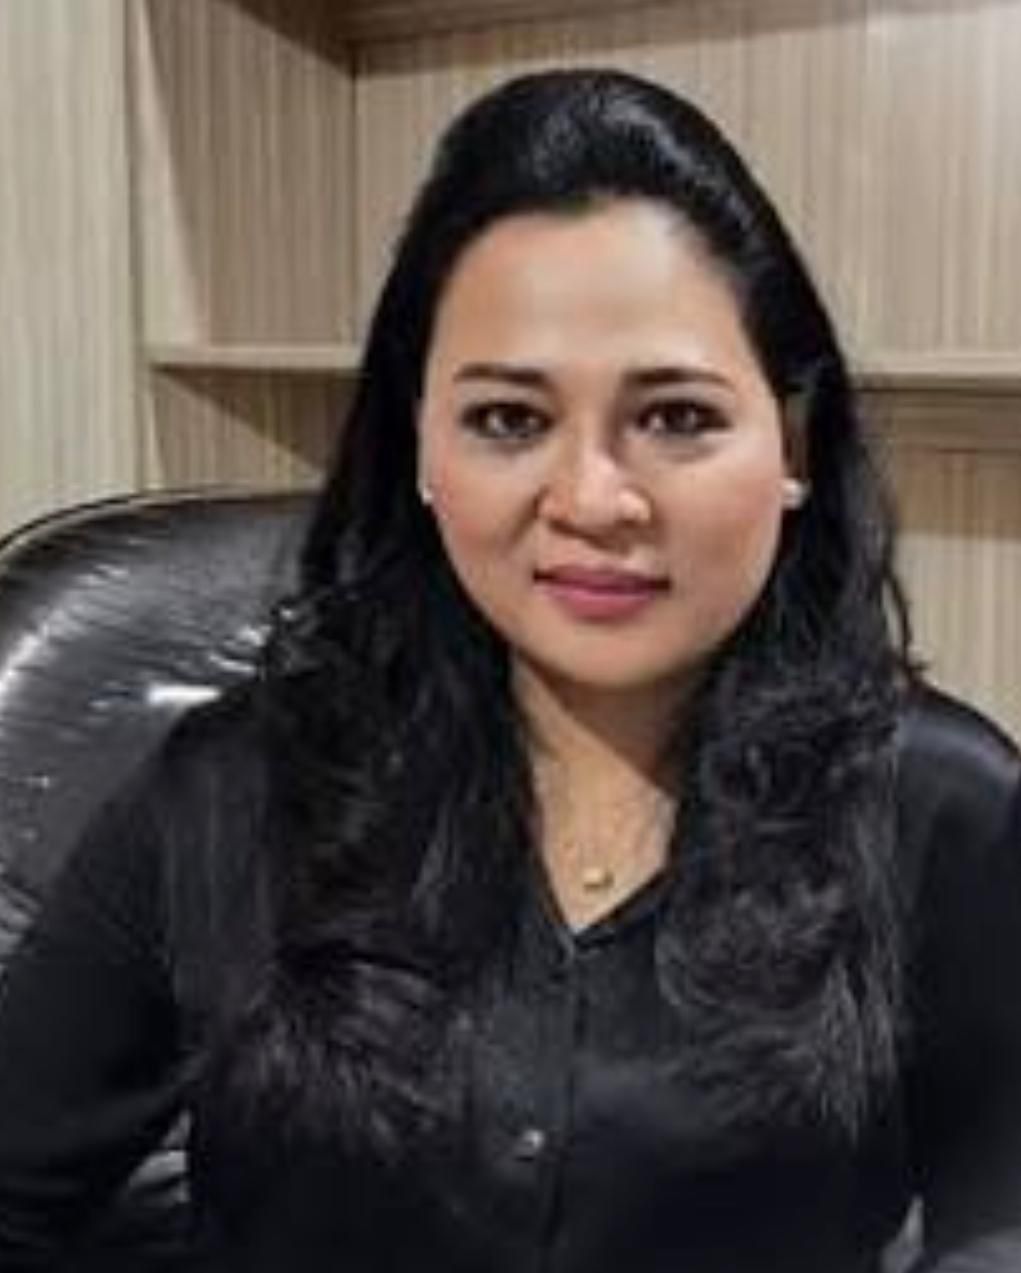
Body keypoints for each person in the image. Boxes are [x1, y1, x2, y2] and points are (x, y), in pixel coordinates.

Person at [1, 67, 1020, 1273]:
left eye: (676, 417)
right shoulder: (228, 787)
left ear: (790, 442)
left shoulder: (941, 810)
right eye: (507, 420)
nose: (591, 499)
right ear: (421, 448)